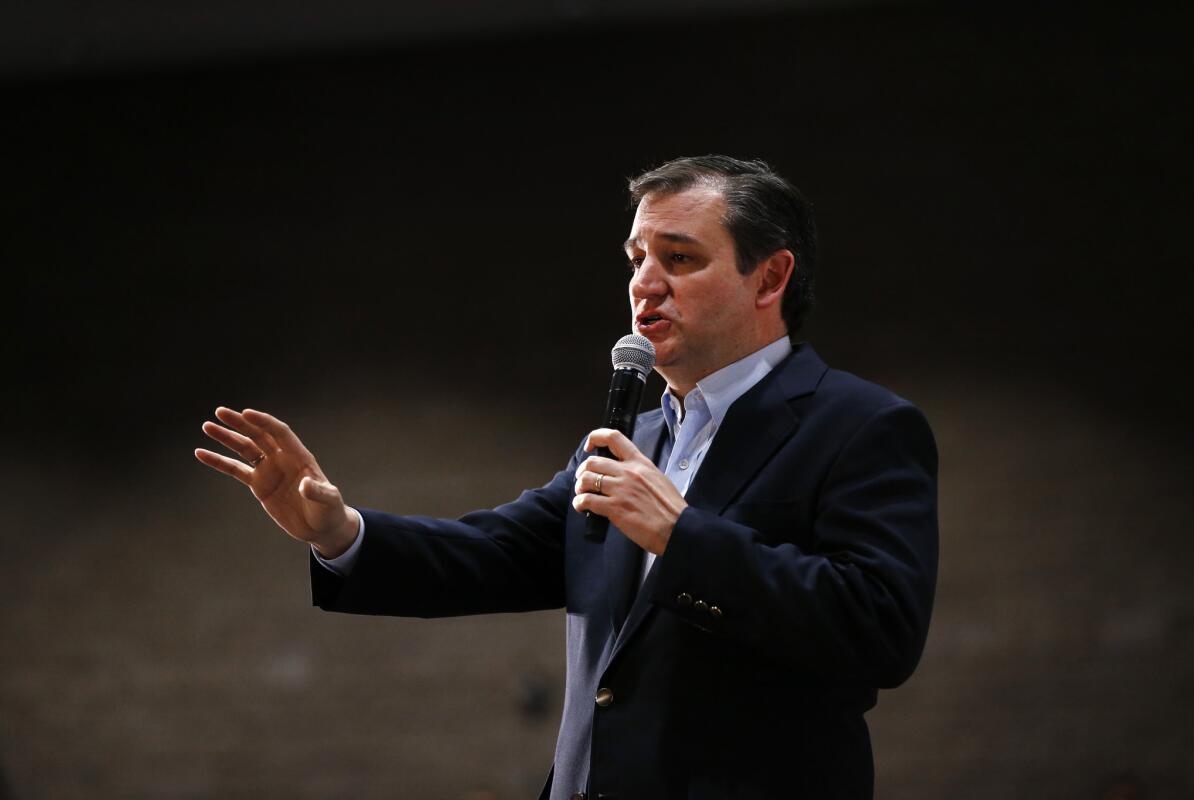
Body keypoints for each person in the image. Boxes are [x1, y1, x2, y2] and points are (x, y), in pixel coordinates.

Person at [195, 155, 939, 799]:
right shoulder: (629, 441)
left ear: (770, 276)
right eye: (636, 258)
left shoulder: (858, 426)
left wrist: (683, 538)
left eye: (679, 259)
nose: (645, 284)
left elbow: (879, 629)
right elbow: (490, 554)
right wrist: (339, 533)